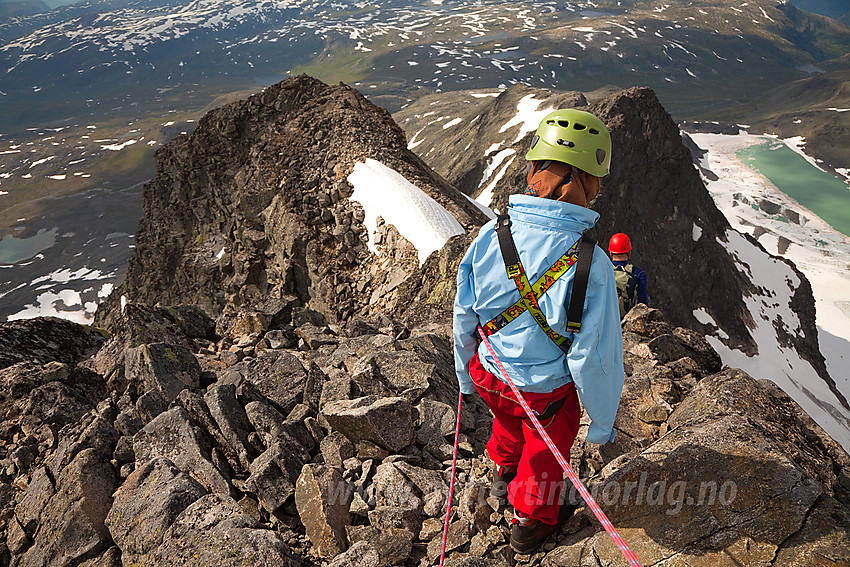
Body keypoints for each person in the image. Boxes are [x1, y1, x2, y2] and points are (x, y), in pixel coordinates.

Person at [453, 109, 625, 554]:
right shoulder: (593, 263)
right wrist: (601, 424)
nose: (600, 189)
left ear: (536, 171)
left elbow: (464, 311)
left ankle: (502, 471)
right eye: (597, 179)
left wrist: (463, 373)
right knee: (544, 454)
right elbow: (595, 357)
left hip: (490, 373)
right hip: (545, 393)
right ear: (582, 181)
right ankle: (530, 522)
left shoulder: (493, 233)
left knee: (509, 423)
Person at [608, 232, 649, 319]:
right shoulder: (638, 274)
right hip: (625, 320)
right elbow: (643, 304)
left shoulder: (602, 271)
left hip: (605, 320)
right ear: (629, 252)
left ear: (611, 253)